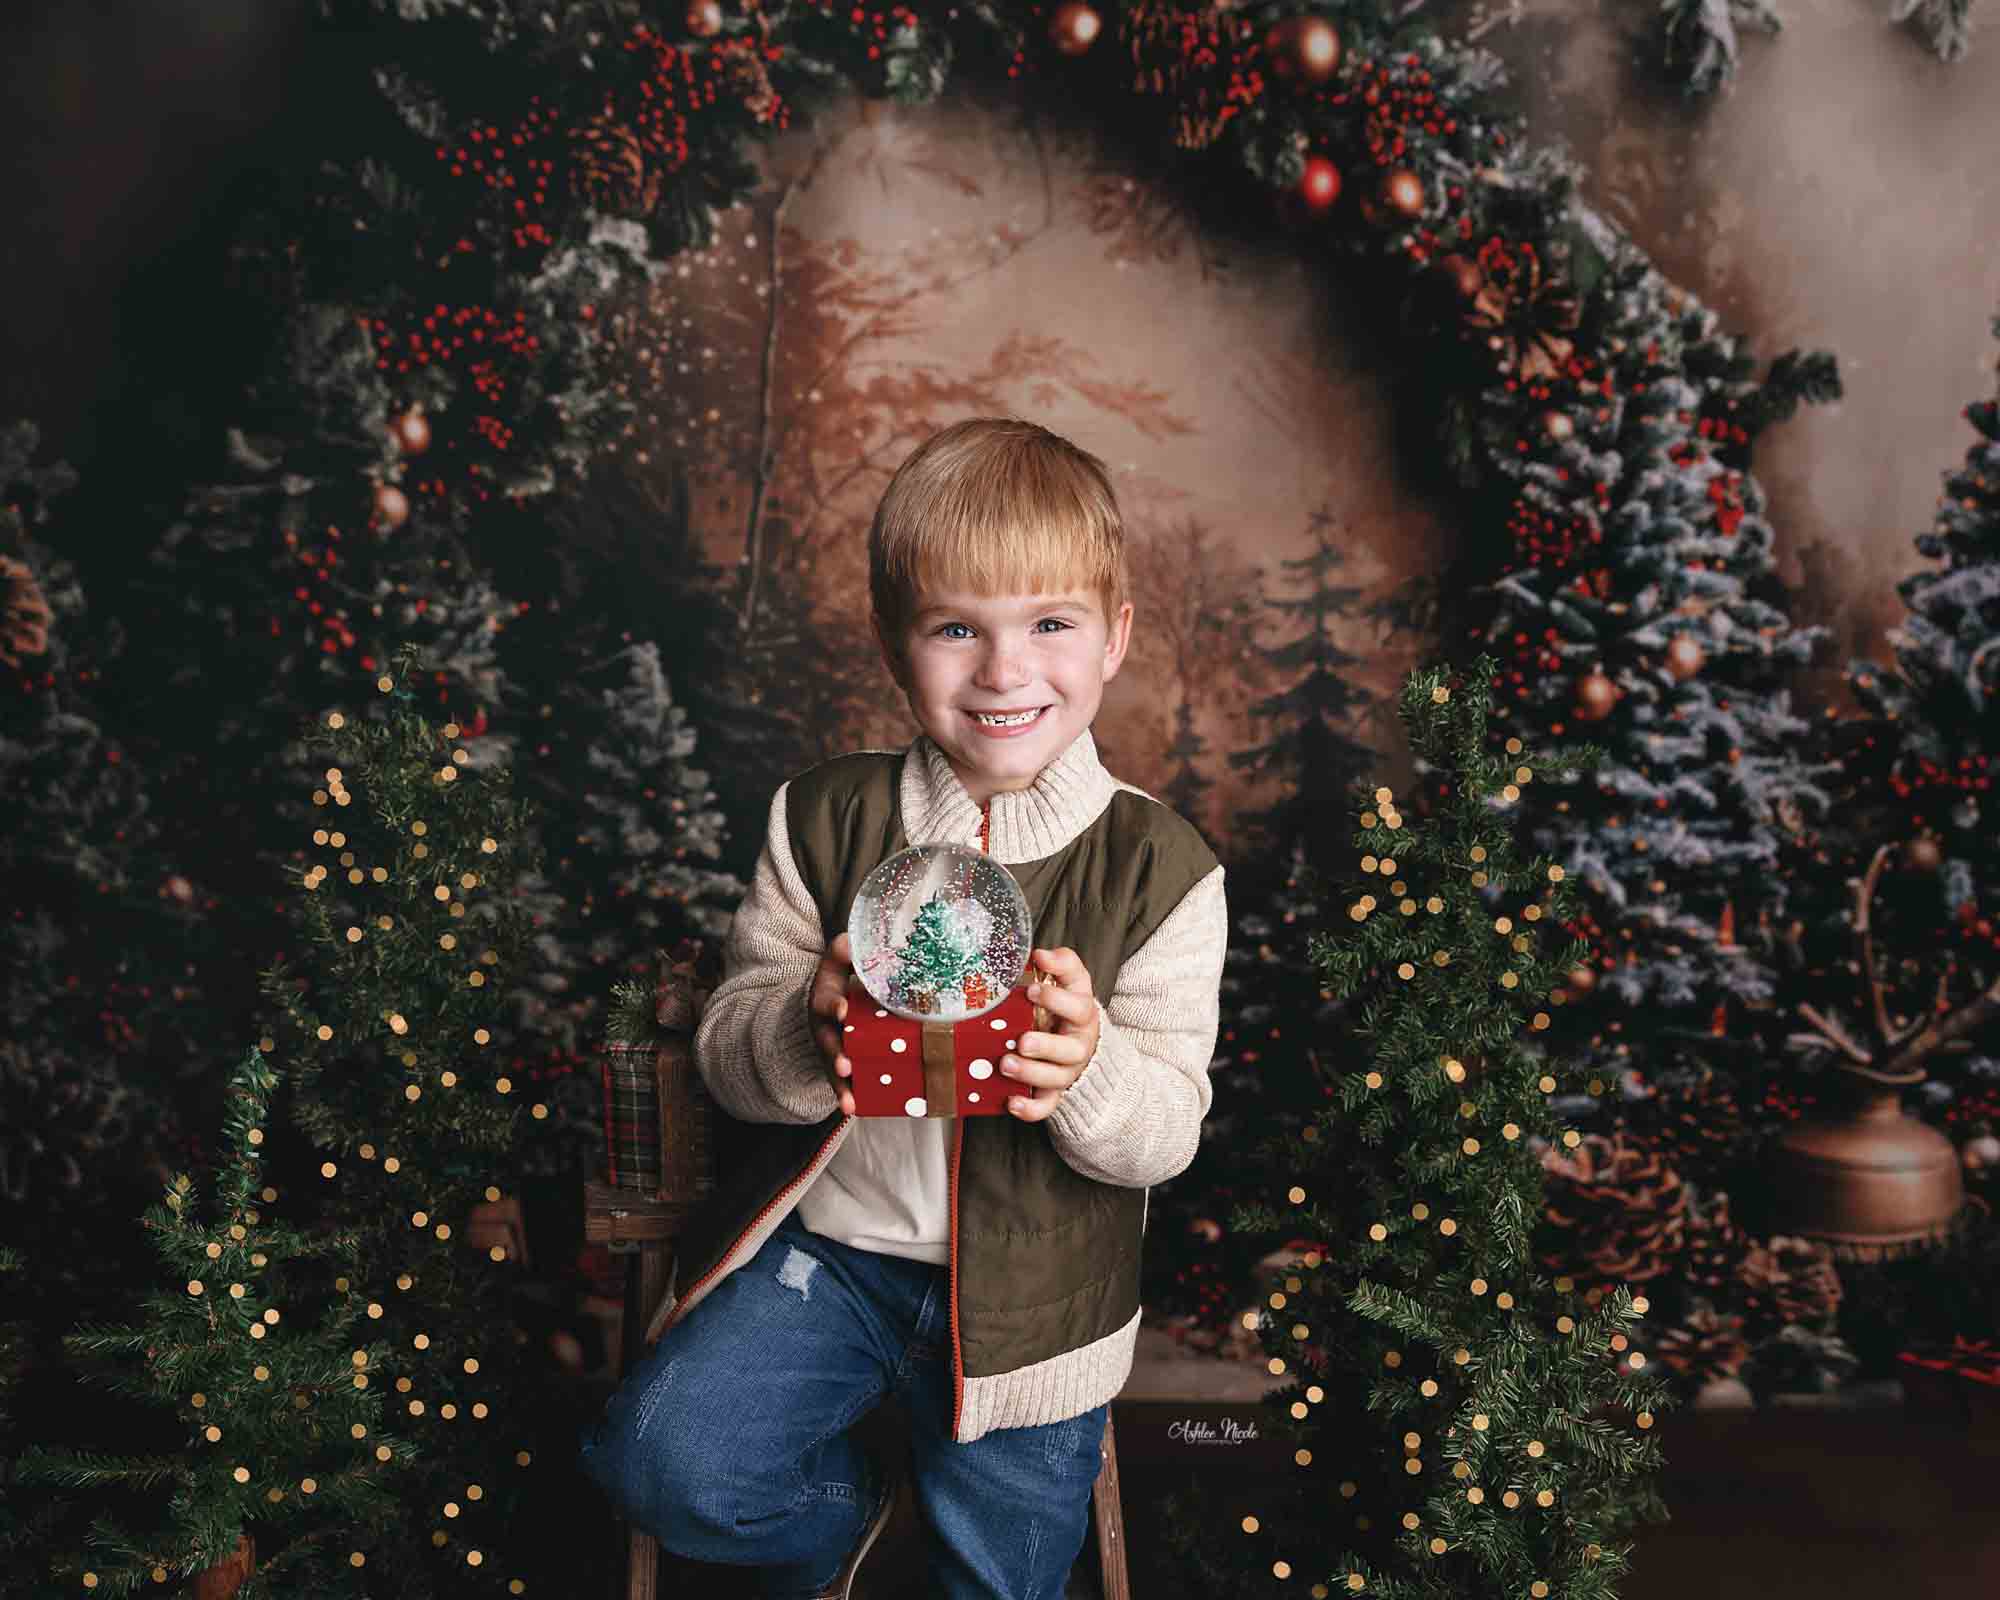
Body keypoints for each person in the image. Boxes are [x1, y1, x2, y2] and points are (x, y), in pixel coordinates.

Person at [580, 417, 1228, 1598]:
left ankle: (936, 1495)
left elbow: (1168, 1129)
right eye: (953, 628)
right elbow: (731, 1052)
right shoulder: (820, 818)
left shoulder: (1161, 863)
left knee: (997, 1577)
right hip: (829, 1262)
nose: (1002, 669)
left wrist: (1086, 1070)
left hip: (1043, 1307)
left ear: (1115, 637)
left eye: (1048, 623)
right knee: (661, 1464)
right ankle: (849, 1506)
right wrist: (799, 1026)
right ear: (894, 646)